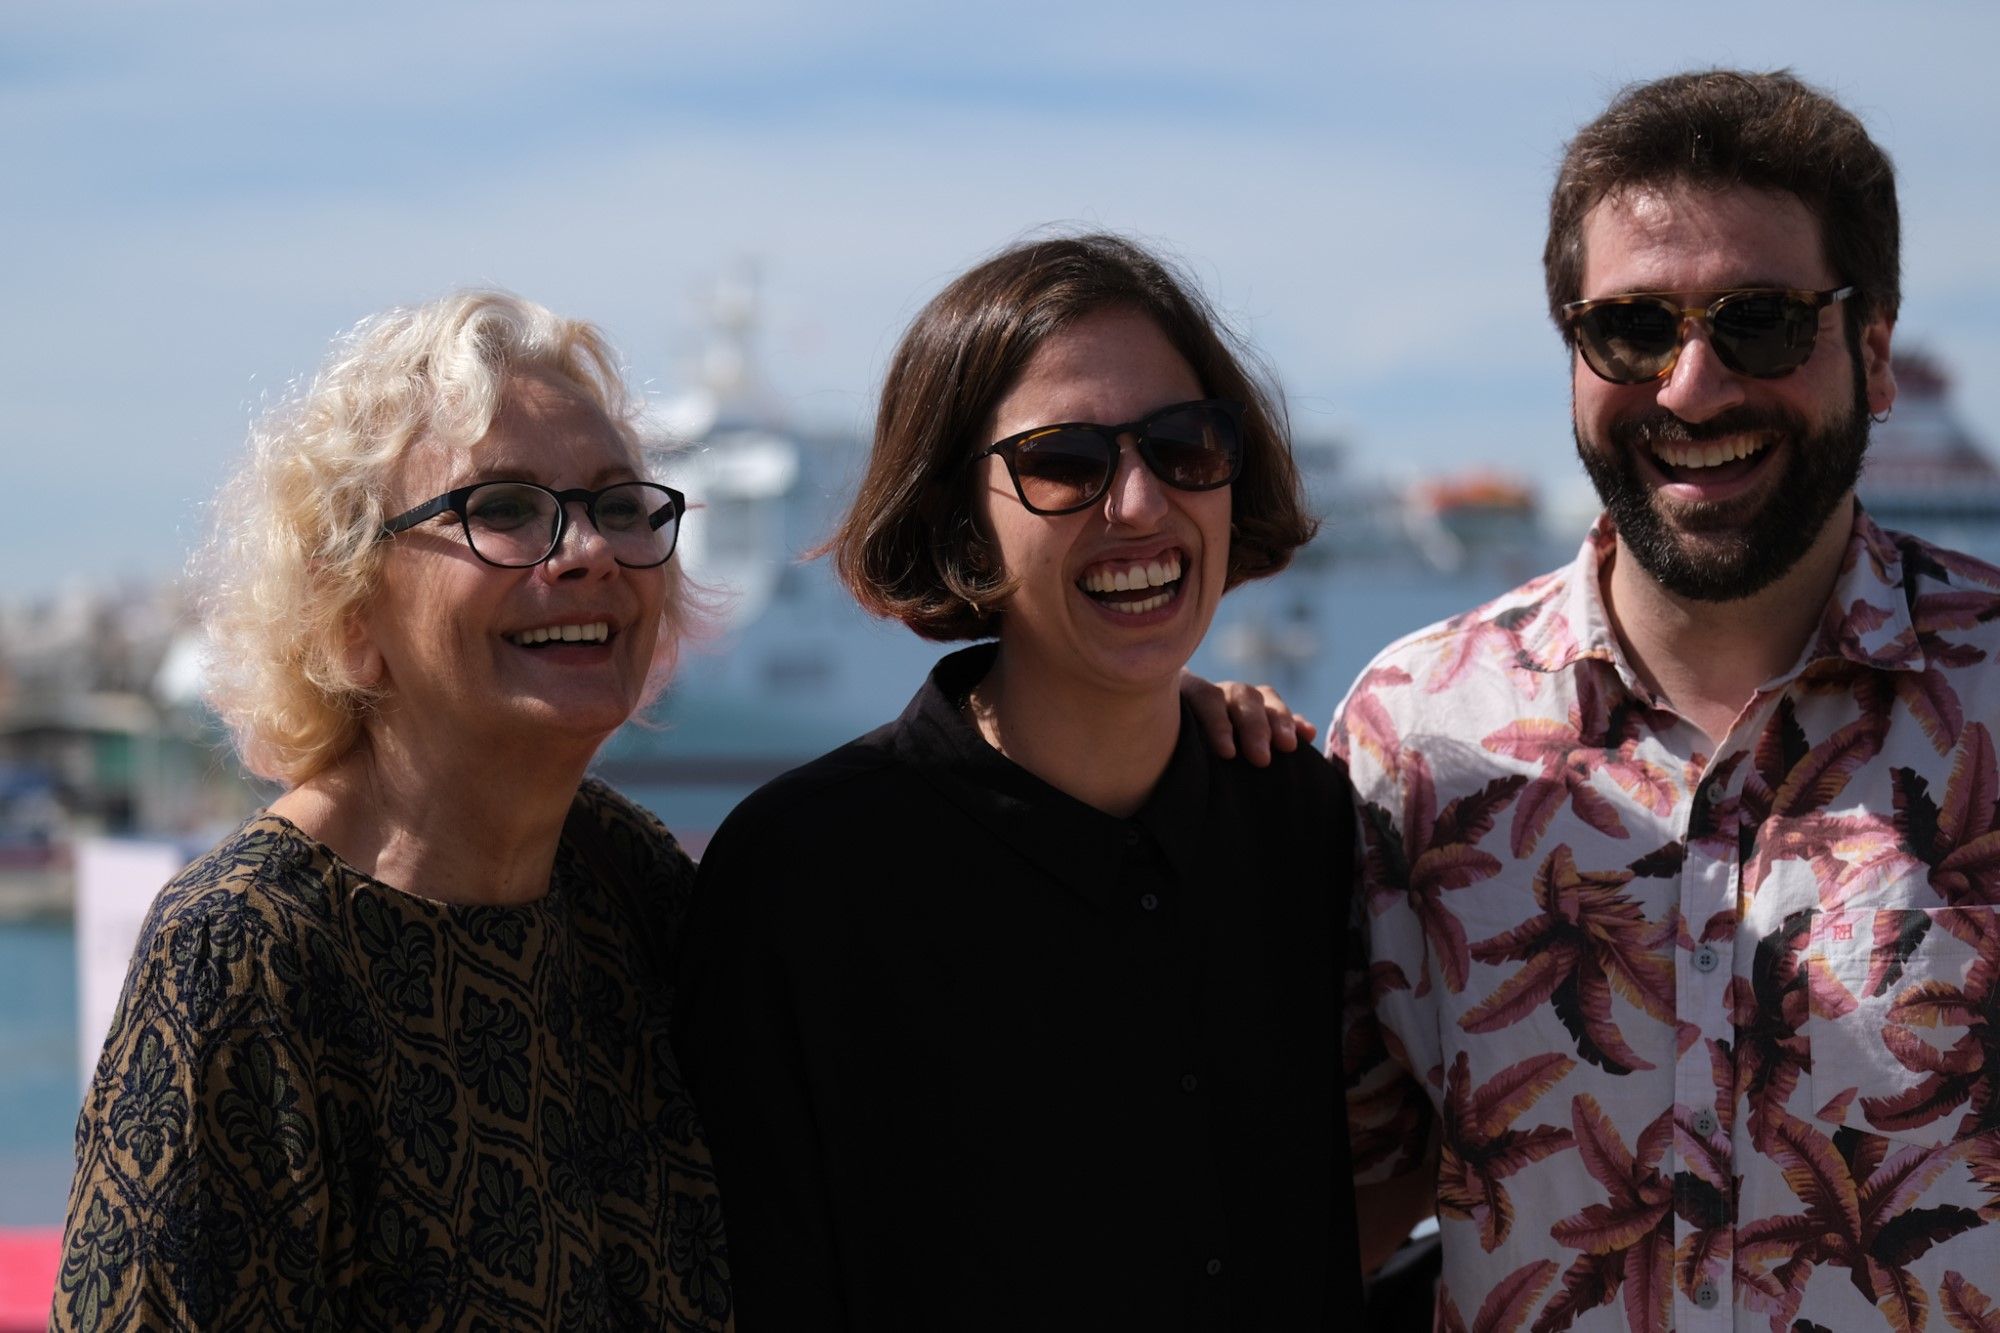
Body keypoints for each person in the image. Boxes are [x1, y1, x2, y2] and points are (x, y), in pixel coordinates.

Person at [1332, 69, 2000, 1330]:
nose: (1690, 389)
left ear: (1870, 350)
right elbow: (1332, 1192)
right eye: (1631, 330)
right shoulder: (1409, 737)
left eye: (1757, 322)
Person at [673, 233, 1363, 1329]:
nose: (1137, 504)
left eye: (1183, 445)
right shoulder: (804, 879)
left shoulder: (1301, 823)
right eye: (1063, 462)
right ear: (957, 517)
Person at [53, 292, 732, 1330]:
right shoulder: (244, 952)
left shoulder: (623, 880)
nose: (588, 548)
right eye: (502, 508)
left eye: (619, 504)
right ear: (351, 610)